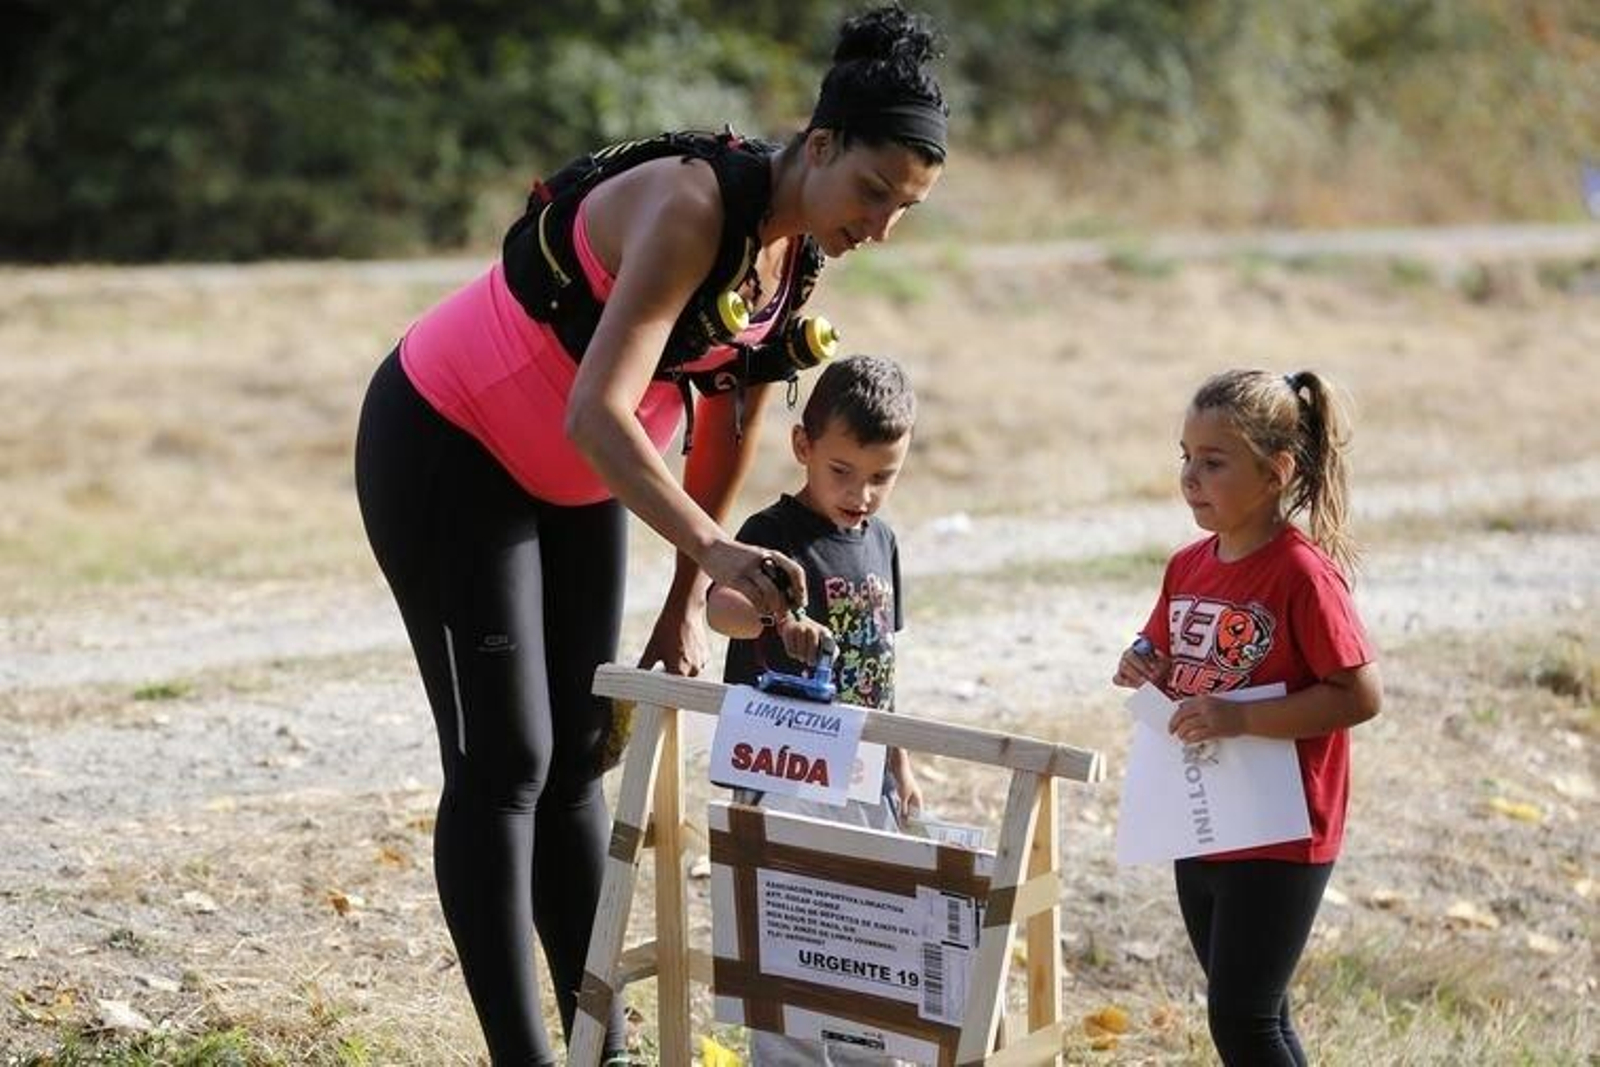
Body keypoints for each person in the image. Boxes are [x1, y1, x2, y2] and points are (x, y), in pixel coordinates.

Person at [352, 6, 948, 1063]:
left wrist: (682, 603)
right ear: (817, 145)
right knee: (505, 759)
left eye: (905, 207)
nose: (881, 225)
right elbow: (596, 410)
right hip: (450, 444)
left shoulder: (792, 255)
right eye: (872, 191)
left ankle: (601, 1047)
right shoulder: (689, 206)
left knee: (580, 754)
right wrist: (717, 554)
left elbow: (724, 431)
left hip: (575, 480)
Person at [1112, 369, 1383, 1066]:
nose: (1190, 477)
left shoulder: (1301, 574)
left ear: (1276, 472)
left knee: (1242, 1018)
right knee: (1255, 1009)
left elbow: (1358, 694)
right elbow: (1166, 651)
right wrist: (1144, 661)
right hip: (1200, 815)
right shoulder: (1187, 565)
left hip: (1281, 830)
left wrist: (1238, 718)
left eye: (1214, 461)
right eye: (1185, 457)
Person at [707, 353, 922, 1066]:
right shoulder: (774, 532)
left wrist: (900, 761)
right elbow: (722, 610)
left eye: (881, 476)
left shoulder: (884, 543)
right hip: (786, 770)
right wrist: (770, 616)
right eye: (842, 471)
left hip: (865, 772)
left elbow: (881, 666)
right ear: (804, 447)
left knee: (871, 930)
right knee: (788, 934)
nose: (861, 493)